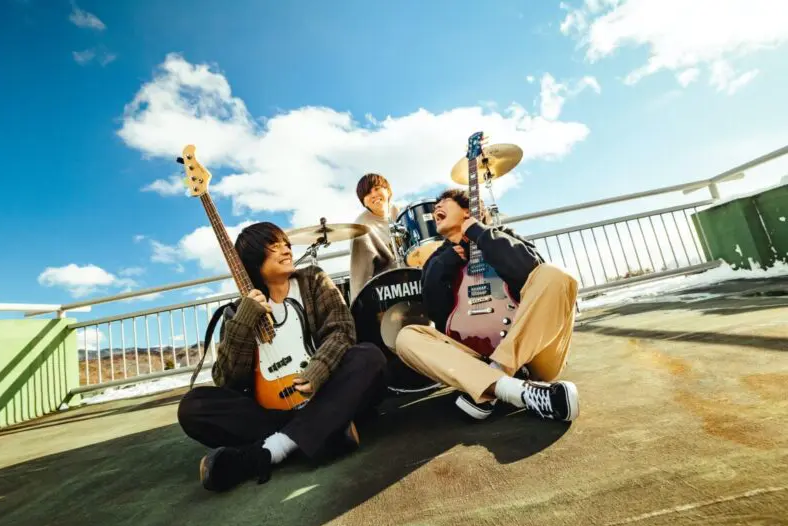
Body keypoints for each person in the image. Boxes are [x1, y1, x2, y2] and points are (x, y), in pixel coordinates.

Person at [178, 222, 387, 492]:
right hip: (276, 410)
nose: (286, 250)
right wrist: (243, 321)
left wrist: (317, 371)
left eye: (286, 244)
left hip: (324, 391)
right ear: (253, 259)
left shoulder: (313, 280)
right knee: (193, 407)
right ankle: (327, 430)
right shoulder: (236, 312)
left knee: (369, 357)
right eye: (274, 246)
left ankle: (269, 451)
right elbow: (227, 380)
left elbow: (342, 331)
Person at [395, 189, 580, 422]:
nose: (436, 207)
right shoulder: (438, 259)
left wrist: (479, 233)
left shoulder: (500, 236)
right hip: (473, 358)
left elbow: (531, 271)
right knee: (406, 337)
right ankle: (514, 390)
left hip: (534, 358)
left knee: (556, 275)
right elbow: (436, 313)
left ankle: (495, 376)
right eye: (436, 205)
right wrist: (445, 262)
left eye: (445, 202)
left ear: (468, 211)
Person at [349, 173, 400, 299]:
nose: (374, 195)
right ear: (363, 202)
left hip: (417, 276)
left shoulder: (403, 212)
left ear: (388, 191)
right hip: (388, 290)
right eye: (367, 193)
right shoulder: (361, 228)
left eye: (377, 188)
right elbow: (359, 278)